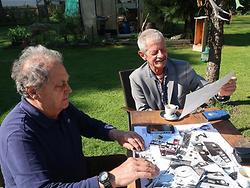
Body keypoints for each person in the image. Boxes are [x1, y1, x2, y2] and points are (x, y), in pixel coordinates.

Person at [0, 45, 159, 188]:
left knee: (131, 165)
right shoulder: (18, 135)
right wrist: (109, 179)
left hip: (77, 171)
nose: (69, 90)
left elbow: (87, 124)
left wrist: (117, 134)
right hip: (66, 182)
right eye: (60, 85)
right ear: (33, 92)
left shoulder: (60, 107)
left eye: (67, 82)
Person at [130, 29, 237, 111]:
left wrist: (219, 92)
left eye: (163, 49)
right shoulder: (136, 78)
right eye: (154, 52)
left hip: (183, 124)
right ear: (143, 55)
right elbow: (143, 111)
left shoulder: (183, 68)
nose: (161, 55)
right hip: (154, 128)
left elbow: (203, 87)